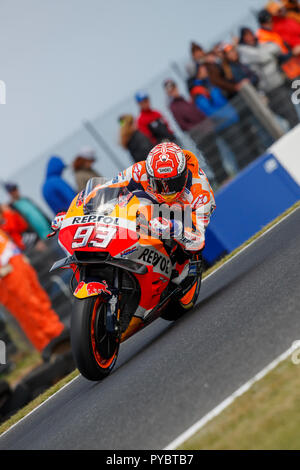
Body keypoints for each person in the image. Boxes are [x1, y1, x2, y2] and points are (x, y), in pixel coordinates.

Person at [0, 228, 69, 361]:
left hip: (13, 257)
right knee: (27, 307)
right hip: (5, 273)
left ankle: (57, 332)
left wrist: (17, 255)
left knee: (39, 298)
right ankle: (50, 345)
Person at [190, 63, 261, 169]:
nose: (205, 70)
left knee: (249, 147)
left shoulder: (210, 83)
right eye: (202, 68)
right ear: (197, 72)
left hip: (233, 118)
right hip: (225, 125)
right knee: (241, 152)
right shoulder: (198, 91)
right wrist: (227, 116)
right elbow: (208, 110)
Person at [163, 78, 230, 185]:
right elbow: (183, 125)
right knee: (212, 158)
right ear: (168, 93)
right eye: (171, 90)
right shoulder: (174, 107)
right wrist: (198, 128)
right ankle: (222, 179)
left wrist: (207, 124)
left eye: (174, 88)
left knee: (217, 154)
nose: (174, 91)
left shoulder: (184, 100)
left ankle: (225, 177)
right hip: (199, 135)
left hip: (207, 131)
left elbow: (197, 113)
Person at [238, 26, 299, 128]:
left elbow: (276, 48)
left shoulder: (261, 45)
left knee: (293, 111)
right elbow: (262, 57)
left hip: (280, 80)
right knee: (288, 115)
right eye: (246, 36)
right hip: (269, 89)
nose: (250, 37)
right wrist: (269, 54)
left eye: (250, 34)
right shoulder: (244, 52)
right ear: (243, 38)